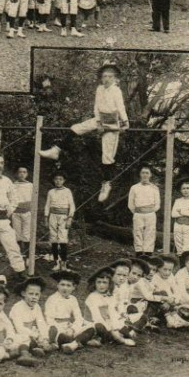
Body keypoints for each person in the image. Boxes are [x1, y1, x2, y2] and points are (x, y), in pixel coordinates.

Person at [39, 62, 129, 202]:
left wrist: (125, 122)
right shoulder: (99, 89)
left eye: (109, 77)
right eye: (104, 76)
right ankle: (56, 150)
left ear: (114, 78)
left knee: (107, 156)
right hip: (100, 119)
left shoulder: (116, 91)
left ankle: (106, 185)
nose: (106, 79)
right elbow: (96, 107)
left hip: (113, 123)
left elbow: (121, 108)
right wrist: (98, 123)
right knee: (76, 128)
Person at [45, 268, 104, 353]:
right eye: (62, 284)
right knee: (57, 332)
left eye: (68, 285)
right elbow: (49, 319)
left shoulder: (73, 299)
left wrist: (72, 329)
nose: (65, 288)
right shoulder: (52, 299)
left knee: (91, 327)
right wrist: (63, 329)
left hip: (69, 327)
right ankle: (74, 341)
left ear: (73, 287)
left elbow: (78, 317)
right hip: (57, 327)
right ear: (57, 285)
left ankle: (73, 344)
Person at [84, 266, 136, 346]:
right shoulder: (92, 297)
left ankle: (107, 338)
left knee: (125, 329)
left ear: (109, 284)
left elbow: (112, 314)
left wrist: (116, 327)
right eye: (99, 282)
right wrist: (112, 330)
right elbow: (97, 317)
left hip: (107, 321)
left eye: (105, 282)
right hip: (94, 323)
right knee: (100, 327)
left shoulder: (110, 296)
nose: (101, 285)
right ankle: (119, 339)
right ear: (94, 283)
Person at [8, 276, 55, 359]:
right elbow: (19, 328)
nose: (34, 297)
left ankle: (42, 345)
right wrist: (35, 335)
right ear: (23, 293)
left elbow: (41, 323)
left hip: (31, 332)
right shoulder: (17, 307)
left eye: (37, 294)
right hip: (18, 333)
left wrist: (44, 337)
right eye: (31, 294)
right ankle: (29, 350)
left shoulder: (36, 307)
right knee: (24, 339)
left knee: (47, 329)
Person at [44, 171, 75, 271]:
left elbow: (72, 206)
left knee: (63, 240)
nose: (58, 181)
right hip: (53, 216)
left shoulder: (67, 191)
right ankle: (56, 262)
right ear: (54, 180)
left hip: (64, 217)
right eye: (56, 179)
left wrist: (70, 218)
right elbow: (47, 205)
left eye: (60, 179)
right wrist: (46, 218)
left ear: (64, 181)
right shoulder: (51, 192)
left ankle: (64, 263)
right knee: (53, 239)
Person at [150, 254, 189, 328]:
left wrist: (173, 299)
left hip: (168, 303)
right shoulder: (154, 277)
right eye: (165, 269)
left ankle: (177, 319)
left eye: (170, 270)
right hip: (156, 304)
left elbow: (176, 290)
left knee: (174, 301)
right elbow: (152, 295)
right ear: (158, 268)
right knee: (162, 293)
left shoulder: (171, 276)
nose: (167, 273)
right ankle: (170, 320)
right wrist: (166, 300)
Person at [128, 166, 161, 255]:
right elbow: (130, 204)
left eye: (147, 173)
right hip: (138, 214)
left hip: (150, 214)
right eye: (143, 172)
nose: (145, 175)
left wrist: (151, 210)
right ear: (140, 174)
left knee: (150, 233)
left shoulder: (154, 188)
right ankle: (138, 253)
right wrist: (137, 212)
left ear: (150, 175)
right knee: (137, 233)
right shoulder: (134, 187)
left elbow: (157, 204)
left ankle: (148, 254)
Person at [171, 179, 189, 255]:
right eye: (183, 188)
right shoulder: (178, 201)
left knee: (187, 247)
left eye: (187, 188)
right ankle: (181, 264)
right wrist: (187, 211)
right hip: (178, 225)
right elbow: (173, 214)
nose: (185, 190)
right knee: (179, 247)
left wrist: (181, 211)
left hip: (188, 226)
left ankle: (186, 263)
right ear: (180, 190)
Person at [12, 166, 33, 257]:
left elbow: (33, 198)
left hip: (27, 212)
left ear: (27, 174)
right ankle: (20, 254)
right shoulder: (13, 185)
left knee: (27, 233)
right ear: (17, 174)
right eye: (20, 172)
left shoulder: (30, 185)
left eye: (24, 172)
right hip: (16, 212)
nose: (22, 174)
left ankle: (28, 255)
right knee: (17, 233)